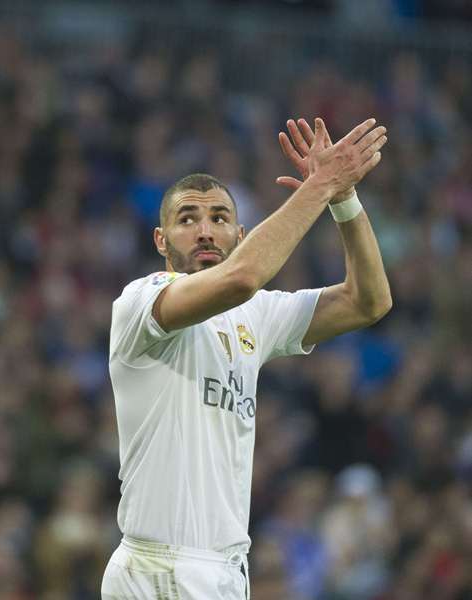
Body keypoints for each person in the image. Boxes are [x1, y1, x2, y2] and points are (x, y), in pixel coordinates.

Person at [101, 117, 391, 600]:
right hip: (161, 568)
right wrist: (320, 185)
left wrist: (345, 201)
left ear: (240, 233)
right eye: (188, 219)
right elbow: (243, 277)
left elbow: (369, 301)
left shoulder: (254, 316)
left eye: (218, 218)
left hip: (227, 569)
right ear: (160, 240)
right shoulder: (141, 302)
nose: (205, 231)